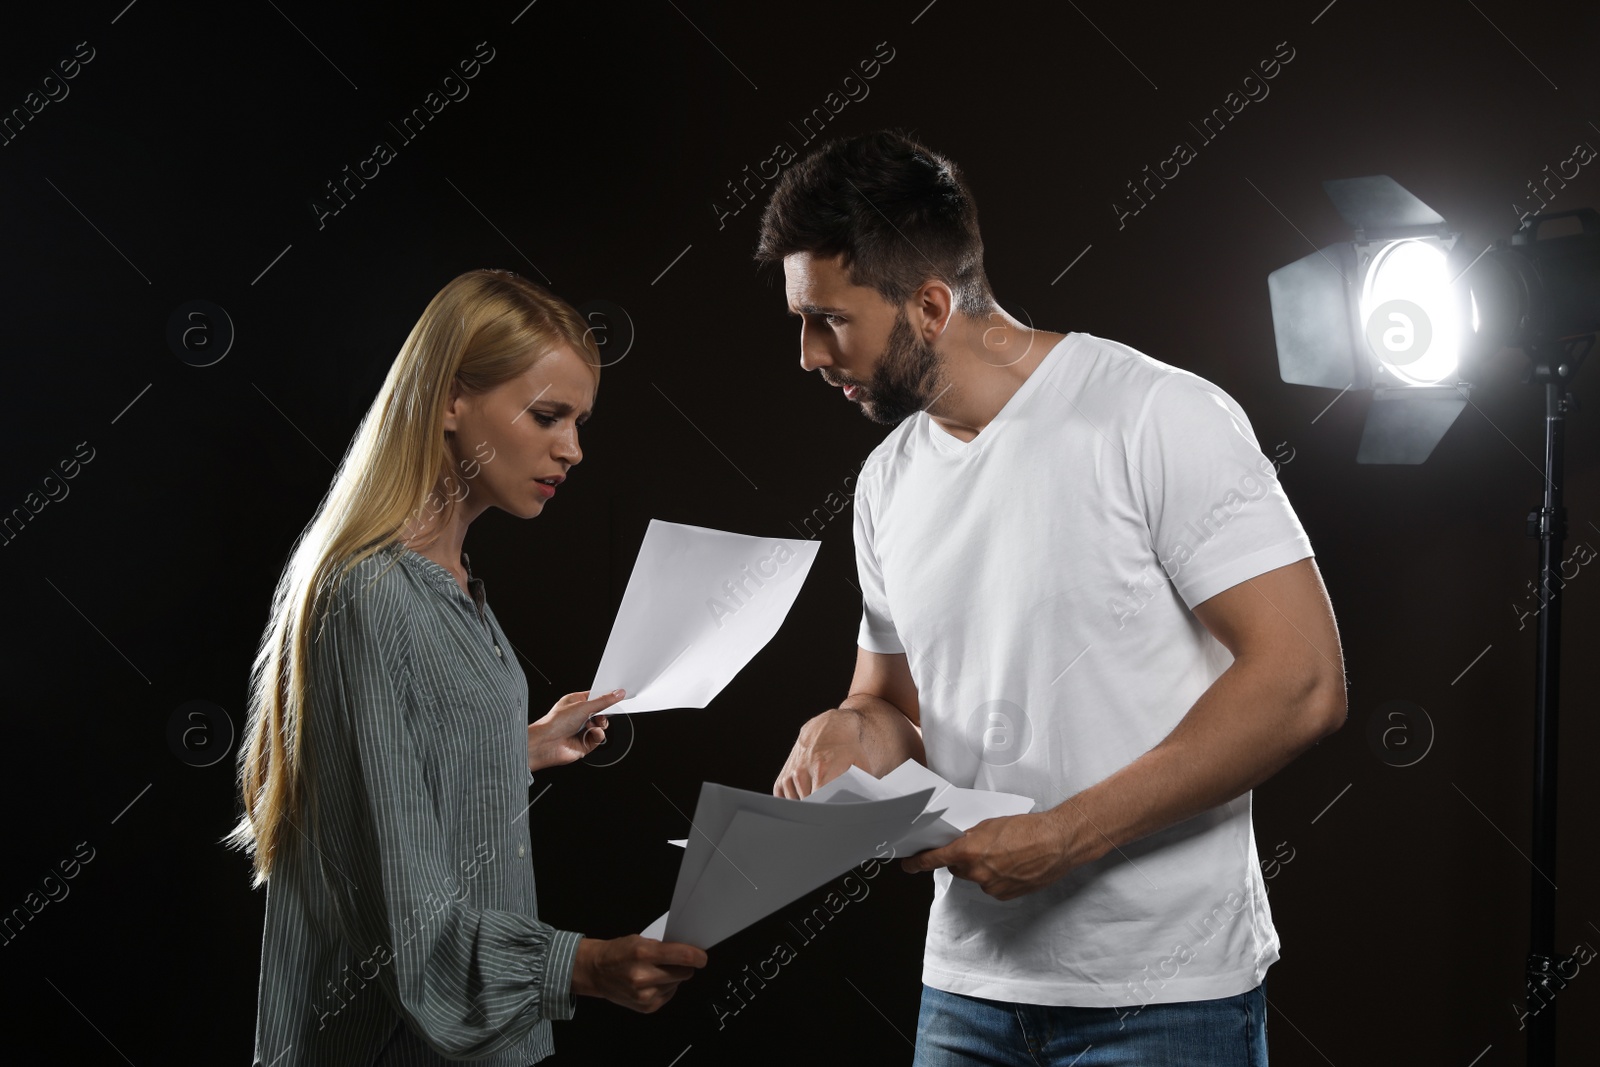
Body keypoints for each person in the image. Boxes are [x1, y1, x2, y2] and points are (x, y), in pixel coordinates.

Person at [758, 129, 1346, 1065]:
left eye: (827, 319)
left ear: (931, 305)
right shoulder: (886, 481)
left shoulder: (1157, 414)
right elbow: (894, 706)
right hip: (966, 989)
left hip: (1165, 996)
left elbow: (1303, 681)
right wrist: (849, 727)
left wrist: (1063, 835)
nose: (805, 353)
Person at [225, 269, 706, 1067]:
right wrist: (585, 964)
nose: (572, 449)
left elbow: (391, 786)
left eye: (580, 422)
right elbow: (411, 924)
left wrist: (518, 747)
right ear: (451, 400)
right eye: (547, 415)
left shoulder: (455, 581)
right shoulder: (370, 594)